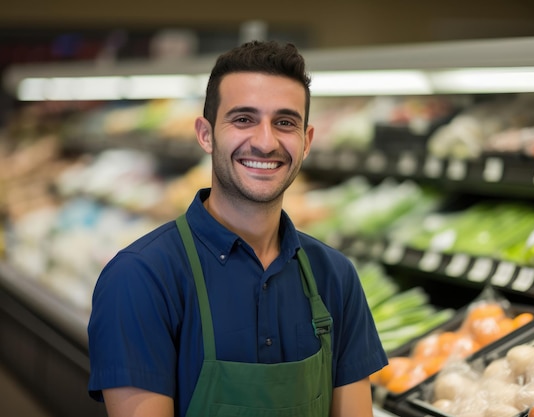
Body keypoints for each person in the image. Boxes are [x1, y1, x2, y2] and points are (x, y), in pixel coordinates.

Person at [87, 40, 388, 417]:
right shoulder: (141, 277)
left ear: (307, 141)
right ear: (206, 134)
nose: (265, 142)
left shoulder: (336, 277)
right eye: (243, 119)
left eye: (285, 122)